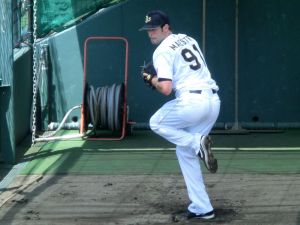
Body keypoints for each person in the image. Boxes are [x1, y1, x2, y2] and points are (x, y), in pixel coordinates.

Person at [139, 10, 221, 220]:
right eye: (148, 30)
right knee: (184, 153)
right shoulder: (187, 38)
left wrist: (152, 79)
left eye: (155, 29)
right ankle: (202, 207)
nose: (151, 33)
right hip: (213, 102)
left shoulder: (162, 51)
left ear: (166, 27)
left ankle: (197, 142)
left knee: (156, 122)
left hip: (192, 103)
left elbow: (166, 88)